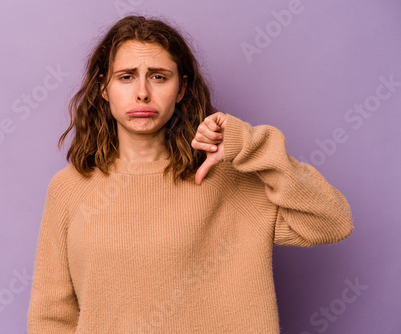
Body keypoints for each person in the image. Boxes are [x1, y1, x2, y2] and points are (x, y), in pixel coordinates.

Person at [27, 15, 353, 333]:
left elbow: (331, 221)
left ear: (181, 89)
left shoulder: (227, 178)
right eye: (126, 77)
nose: (142, 92)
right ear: (103, 88)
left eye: (158, 76)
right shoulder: (69, 188)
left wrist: (250, 145)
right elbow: (51, 317)